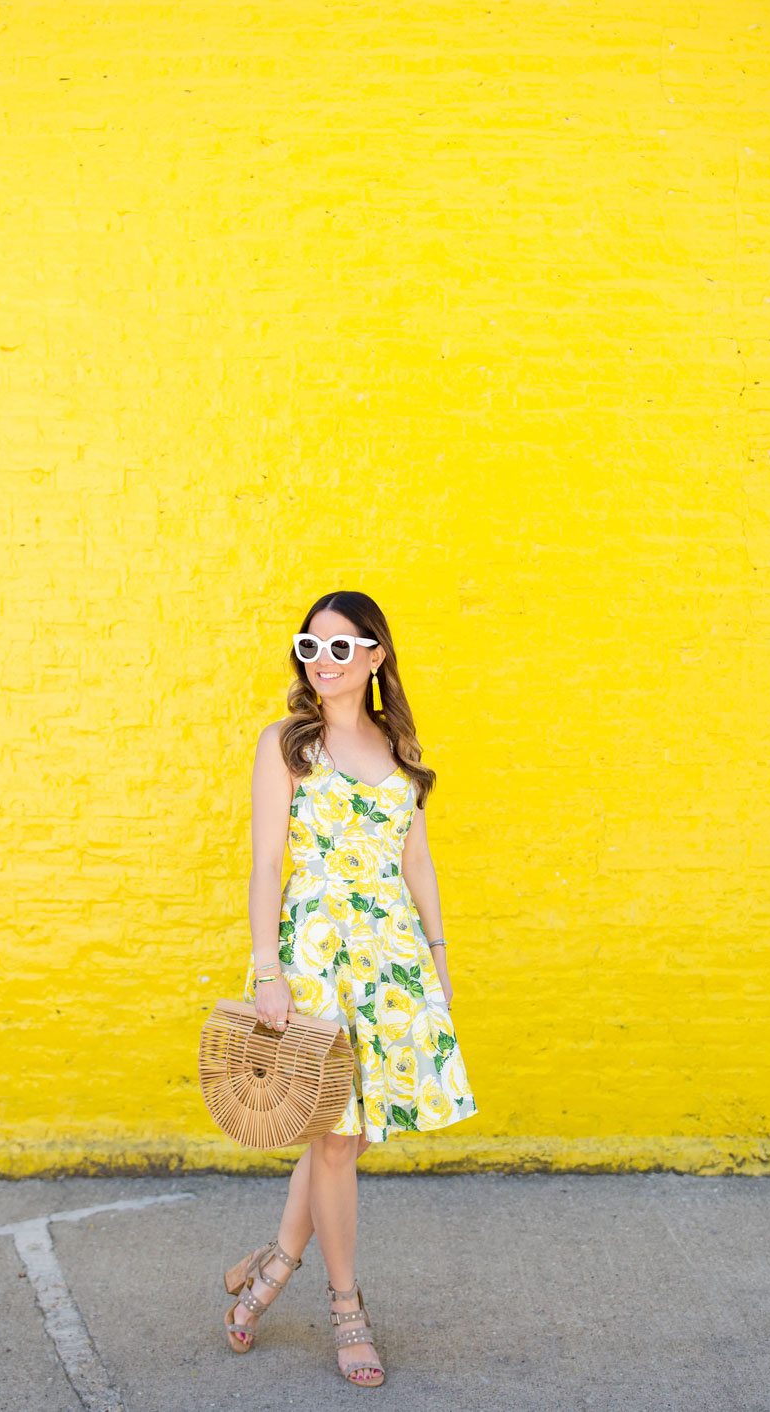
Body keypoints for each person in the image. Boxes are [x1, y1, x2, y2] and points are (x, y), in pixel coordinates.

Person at [222, 590, 478, 1387]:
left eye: (342, 648)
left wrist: (436, 956)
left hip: (392, 963)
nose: (323, 663)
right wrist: (267, 968)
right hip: (317, 957)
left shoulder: (401, 747)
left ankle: (275, 1261)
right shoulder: (287, 745)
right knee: (331, 1136)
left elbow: (417, 861)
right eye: (310, 647)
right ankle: (345, 1308)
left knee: (352, 1136)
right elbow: (268, 861)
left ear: (375, 658)